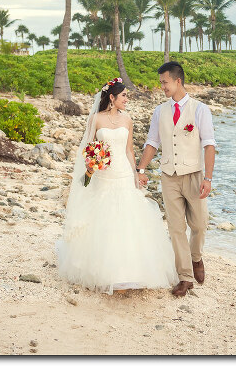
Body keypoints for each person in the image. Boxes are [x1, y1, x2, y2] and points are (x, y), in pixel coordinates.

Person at [55, 78, 179, 295]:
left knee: (127, 218)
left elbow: (129, 150)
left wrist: (136, 173)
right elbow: (88, 146)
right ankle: (104, 272)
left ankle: (131, 272)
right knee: (104, 217)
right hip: (103, 175)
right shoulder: (95, 119)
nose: (126, 99)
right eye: (123, 96)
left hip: (122, 173)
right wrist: (92, 163)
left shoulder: (128, 120)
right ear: (111, 98)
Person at [136, 62, 216, 297]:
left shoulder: (200, 110)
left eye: (164, 82)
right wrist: (141, 169)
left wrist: (208, 178)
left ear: (177, 81)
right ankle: (185, 277)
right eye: (161, 83)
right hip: (169, 176)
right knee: (176, 228)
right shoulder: (160, 111)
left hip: (193, 174)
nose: (162, 87)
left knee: (200, 224)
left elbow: (209, 145)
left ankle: (196, 258)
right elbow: (152, 142)